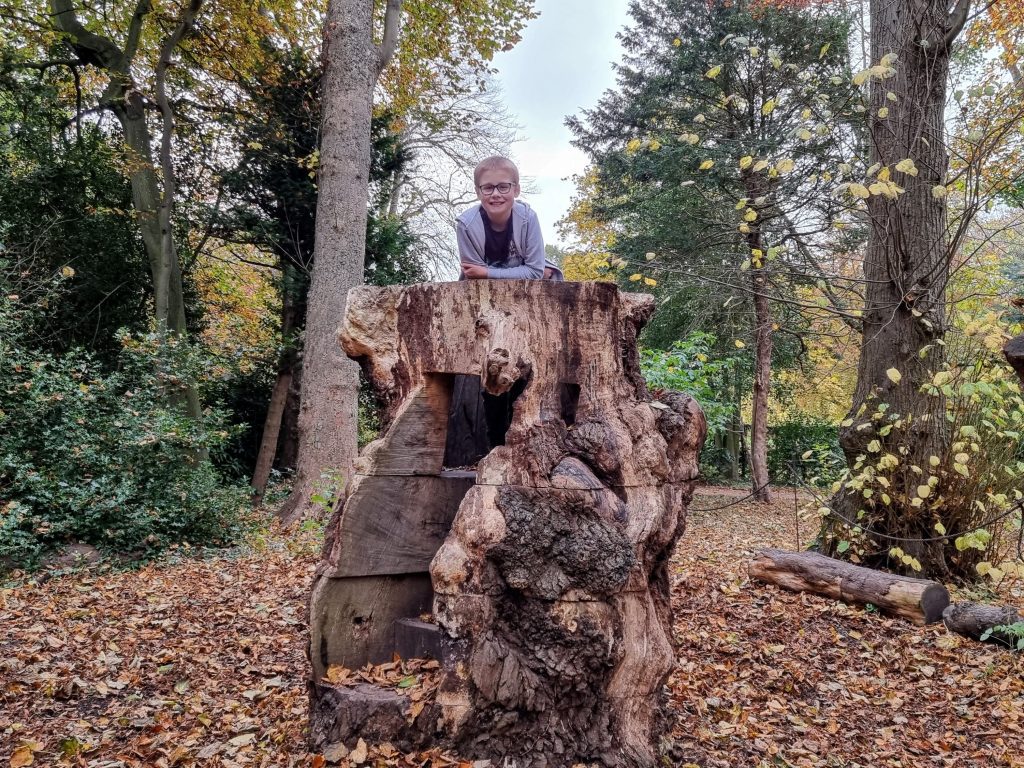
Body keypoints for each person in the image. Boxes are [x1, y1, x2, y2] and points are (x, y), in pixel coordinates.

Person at [455, 156, 564, 281]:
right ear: (478, 192)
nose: (495, 194)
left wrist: (487, 272)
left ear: (516, 190)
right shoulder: (466, 226)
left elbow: (534, 272)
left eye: (503, 186)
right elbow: (475, 276)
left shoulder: (528, 218)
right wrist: (528, 272)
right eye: (488, 188)